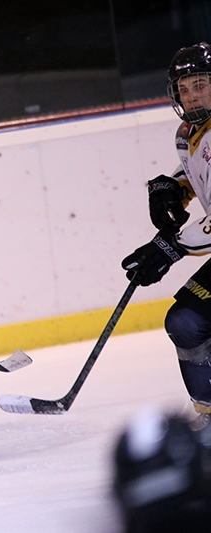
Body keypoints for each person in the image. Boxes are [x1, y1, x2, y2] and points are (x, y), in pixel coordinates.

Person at [122, 42, 211, 431]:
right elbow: (198, 167)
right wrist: (173, 186)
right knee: (187, 323)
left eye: (200, 85)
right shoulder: (190, 132)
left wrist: (169, 247)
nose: (191, 96)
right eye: (184, 88)